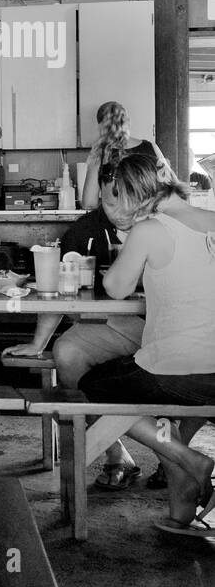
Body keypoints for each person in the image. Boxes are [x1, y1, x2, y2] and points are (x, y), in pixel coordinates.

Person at [76, 154, 215, 535]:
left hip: (174, 369)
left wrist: (133, 241)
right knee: (165, 414)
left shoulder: (151, 229)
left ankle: (191, 460)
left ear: (135, 194)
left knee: (92, 385)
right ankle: (180, 510)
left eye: (118, 196)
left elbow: (115, 288)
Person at [3, 200, 141, 490]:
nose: (119, 208)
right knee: (67, 352)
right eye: (111, 199)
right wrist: (39, 343)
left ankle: (175, 457)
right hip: (116, 325)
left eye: (127, 196)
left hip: (173, 327)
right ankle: (115, 452)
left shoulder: (160, 226)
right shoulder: (84, 231)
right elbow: (61, 285)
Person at [81, 100, 166, 210]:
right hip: (149, 220)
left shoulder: (100, 153)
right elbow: (169, 189)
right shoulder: (152, 147)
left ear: (101, 126)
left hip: (117, 222)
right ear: (127, 122)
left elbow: (89, 203)